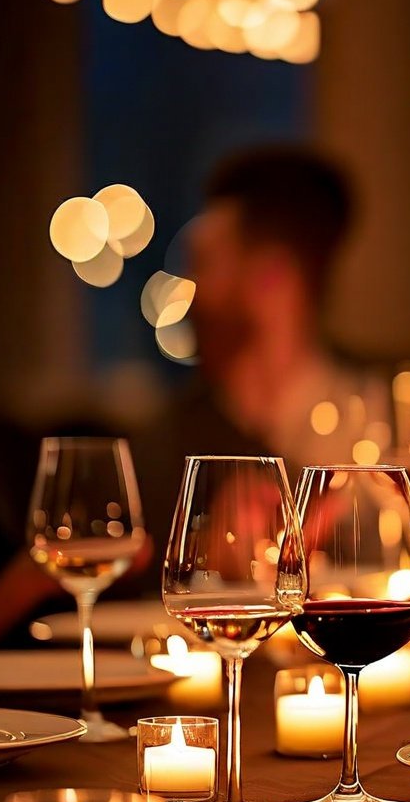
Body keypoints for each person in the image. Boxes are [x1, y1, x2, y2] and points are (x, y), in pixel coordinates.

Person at [133, 145, 365, 550]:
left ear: (272, 277)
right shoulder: (164, 448)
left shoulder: (381, 418)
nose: (191, 290)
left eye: (204, 264)